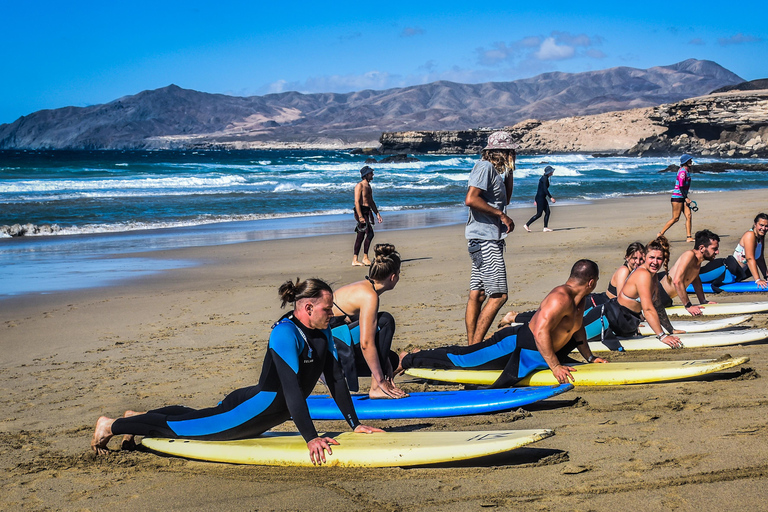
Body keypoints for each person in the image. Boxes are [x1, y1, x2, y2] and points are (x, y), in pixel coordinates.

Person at [90, 278, 383, 465]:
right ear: (307, 307)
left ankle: (134, 418)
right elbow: (292, 390)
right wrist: (310, 437)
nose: (332, 314)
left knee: (194, 415)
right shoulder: (285, 334)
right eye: (327, 309)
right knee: (179, 428)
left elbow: (335, 379)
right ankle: (110, 426)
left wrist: (354, 424)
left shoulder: (322, 333)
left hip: (256, 406)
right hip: (251, 409)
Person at [398, 260, 608, 387]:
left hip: (539, 351)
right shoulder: (560, 298)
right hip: (515, 344)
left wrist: (590, 357)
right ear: (591, 282)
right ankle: (408, 359)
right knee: (462, 359)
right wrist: (555, 367)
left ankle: (413, 357)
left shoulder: (579, 301)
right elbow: (541, 331)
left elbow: (577, 328)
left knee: (467, 360)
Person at [330, 244, 407, 399]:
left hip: (331, 348)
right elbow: (366, 343)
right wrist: (380, 381)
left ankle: (374, 382)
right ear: (393, 276)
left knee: (390, 359)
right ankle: (376, 388)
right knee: (385, 321)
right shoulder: (369, 296)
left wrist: (385, 362)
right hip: (330, 350)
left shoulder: (363, 288)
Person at [464, 131, 516, 345]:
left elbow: (506, 200)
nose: (514, 154)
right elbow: (471, 199)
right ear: (504, 152)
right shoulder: (484, 168)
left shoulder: (495, 172)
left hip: (484, 238)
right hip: (484, 240)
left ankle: (471, 345)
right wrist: (501, 215)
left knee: (478, 293)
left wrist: (510, 174)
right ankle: (476, 347)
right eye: (512, 151)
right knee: (499, 295)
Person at [614, 237, 684, 348]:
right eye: (651, 257)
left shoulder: (653, 275)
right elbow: (647, 309)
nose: (655, 262)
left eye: (659, 258)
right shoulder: (643, 274)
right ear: (645, 257)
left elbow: (657, 304)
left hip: (628, 323)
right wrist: (662, 336)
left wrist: (670, 330)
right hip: (612, 321)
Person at [658, 229, 720, 316]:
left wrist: (703, 301)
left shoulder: (697, 261)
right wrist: (688, 305)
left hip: (665, 299)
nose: (717, 252)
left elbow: (696, 280)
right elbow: (677, 281)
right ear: (701, 248)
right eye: (714, 249)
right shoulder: (689, 255)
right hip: (656, 295)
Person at [699, 213, 768, 288]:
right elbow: (749, 258)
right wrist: (757, 280)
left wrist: (766, 276)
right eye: (761, 225)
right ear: (755, 224)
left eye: (766, 226)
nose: (764, 228)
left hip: (733, 274)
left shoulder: (760, 238)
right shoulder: (750, 235)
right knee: (692, 276)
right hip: (722, 269)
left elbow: (760, 258)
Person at [658, 154, 695, 242]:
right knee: (675, 218)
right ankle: (660, 234)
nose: (691, 161)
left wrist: (685, 197)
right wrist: (686, 198)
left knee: (688, 215)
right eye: (689, 160)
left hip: (683, 197)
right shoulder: (682, 172)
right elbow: (681, 186)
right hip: (677, 197)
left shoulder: (687, 171)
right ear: (685, 162)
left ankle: (689, 237)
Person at [352, 166, 383, 267]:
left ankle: (358, 259)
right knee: (369, 233)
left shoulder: (369, 186)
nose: (372, 175)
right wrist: (360, 216)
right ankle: (362, 258)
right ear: (366, 175)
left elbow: (371, 201)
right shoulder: (359, 186)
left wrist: (377, 214)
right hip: (360, 211)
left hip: (367, 211)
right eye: (371, 173)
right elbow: (356, 202)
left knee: (363, 235)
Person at [524, 166, 556, 232]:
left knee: (548, 212)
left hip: (541, 198)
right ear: (549, 172)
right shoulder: (544, 179)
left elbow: (539, 189)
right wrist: (551, 197)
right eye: (551, 171)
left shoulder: (545, 178)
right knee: (539, 214)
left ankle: (545, 227)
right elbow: (544, 189)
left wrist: (536, 199)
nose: (552, 172)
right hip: (540, 198)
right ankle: (527, 225)